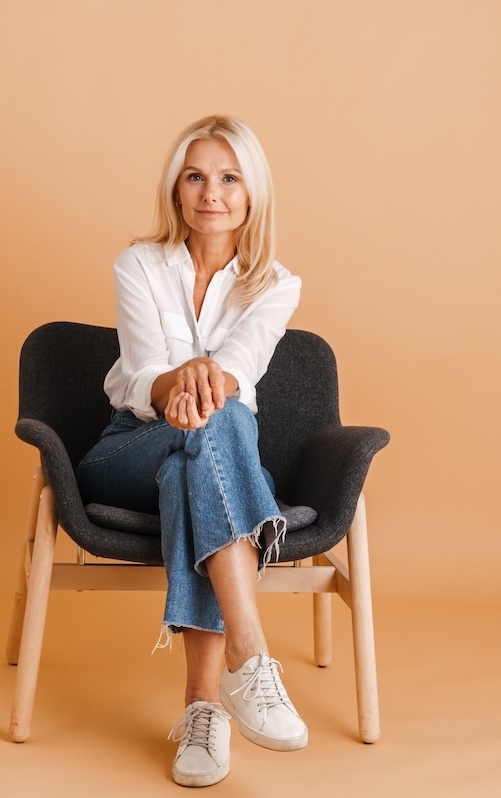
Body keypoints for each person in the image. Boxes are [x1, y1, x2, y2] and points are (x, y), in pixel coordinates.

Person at [75, 115, 305, 788]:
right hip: (129, 448)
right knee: (214, 429)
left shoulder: (277, 284)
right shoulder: (139, 265)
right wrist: (185, 385)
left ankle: (204, 709)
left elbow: (242, 363)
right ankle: (248, 654)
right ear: (176, 189)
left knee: (198, 464)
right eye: (196, 176)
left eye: (230, 178)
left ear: (252, 193)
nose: (212, 193)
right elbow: (144, 373)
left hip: (206, 457)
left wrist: (203, 387)